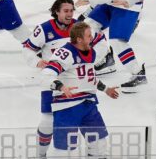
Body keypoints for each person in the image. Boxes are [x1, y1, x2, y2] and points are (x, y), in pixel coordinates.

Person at [22, 0, 118, 158]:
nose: (70, 14)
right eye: (66, 11)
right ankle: (41, 154)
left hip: (78, 82)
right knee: (47, 123)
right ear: (56, 12)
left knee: (96, 140)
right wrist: (38, 62)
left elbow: (101, 40)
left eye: (72, 10)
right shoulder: (44, 29)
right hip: (54, 81)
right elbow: (27, 50)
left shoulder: (80, 27)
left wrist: (92, 58)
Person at [76, 0, 147, 93]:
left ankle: (137, 74)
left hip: (126, 4)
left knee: (118, 41)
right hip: (113, 2)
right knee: (88, 26)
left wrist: (88, 0)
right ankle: (105, 59)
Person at [41, 22, 118, 158]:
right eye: (89, 36)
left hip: (88, 105)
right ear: (79, 39)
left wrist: (106, 89)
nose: (92, 39)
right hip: (67, 107)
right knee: (64, 152)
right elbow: (46, 74)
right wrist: (61, 86)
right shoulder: (65, 53)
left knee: (99, 145)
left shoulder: (90, 53)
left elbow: (88, 78)